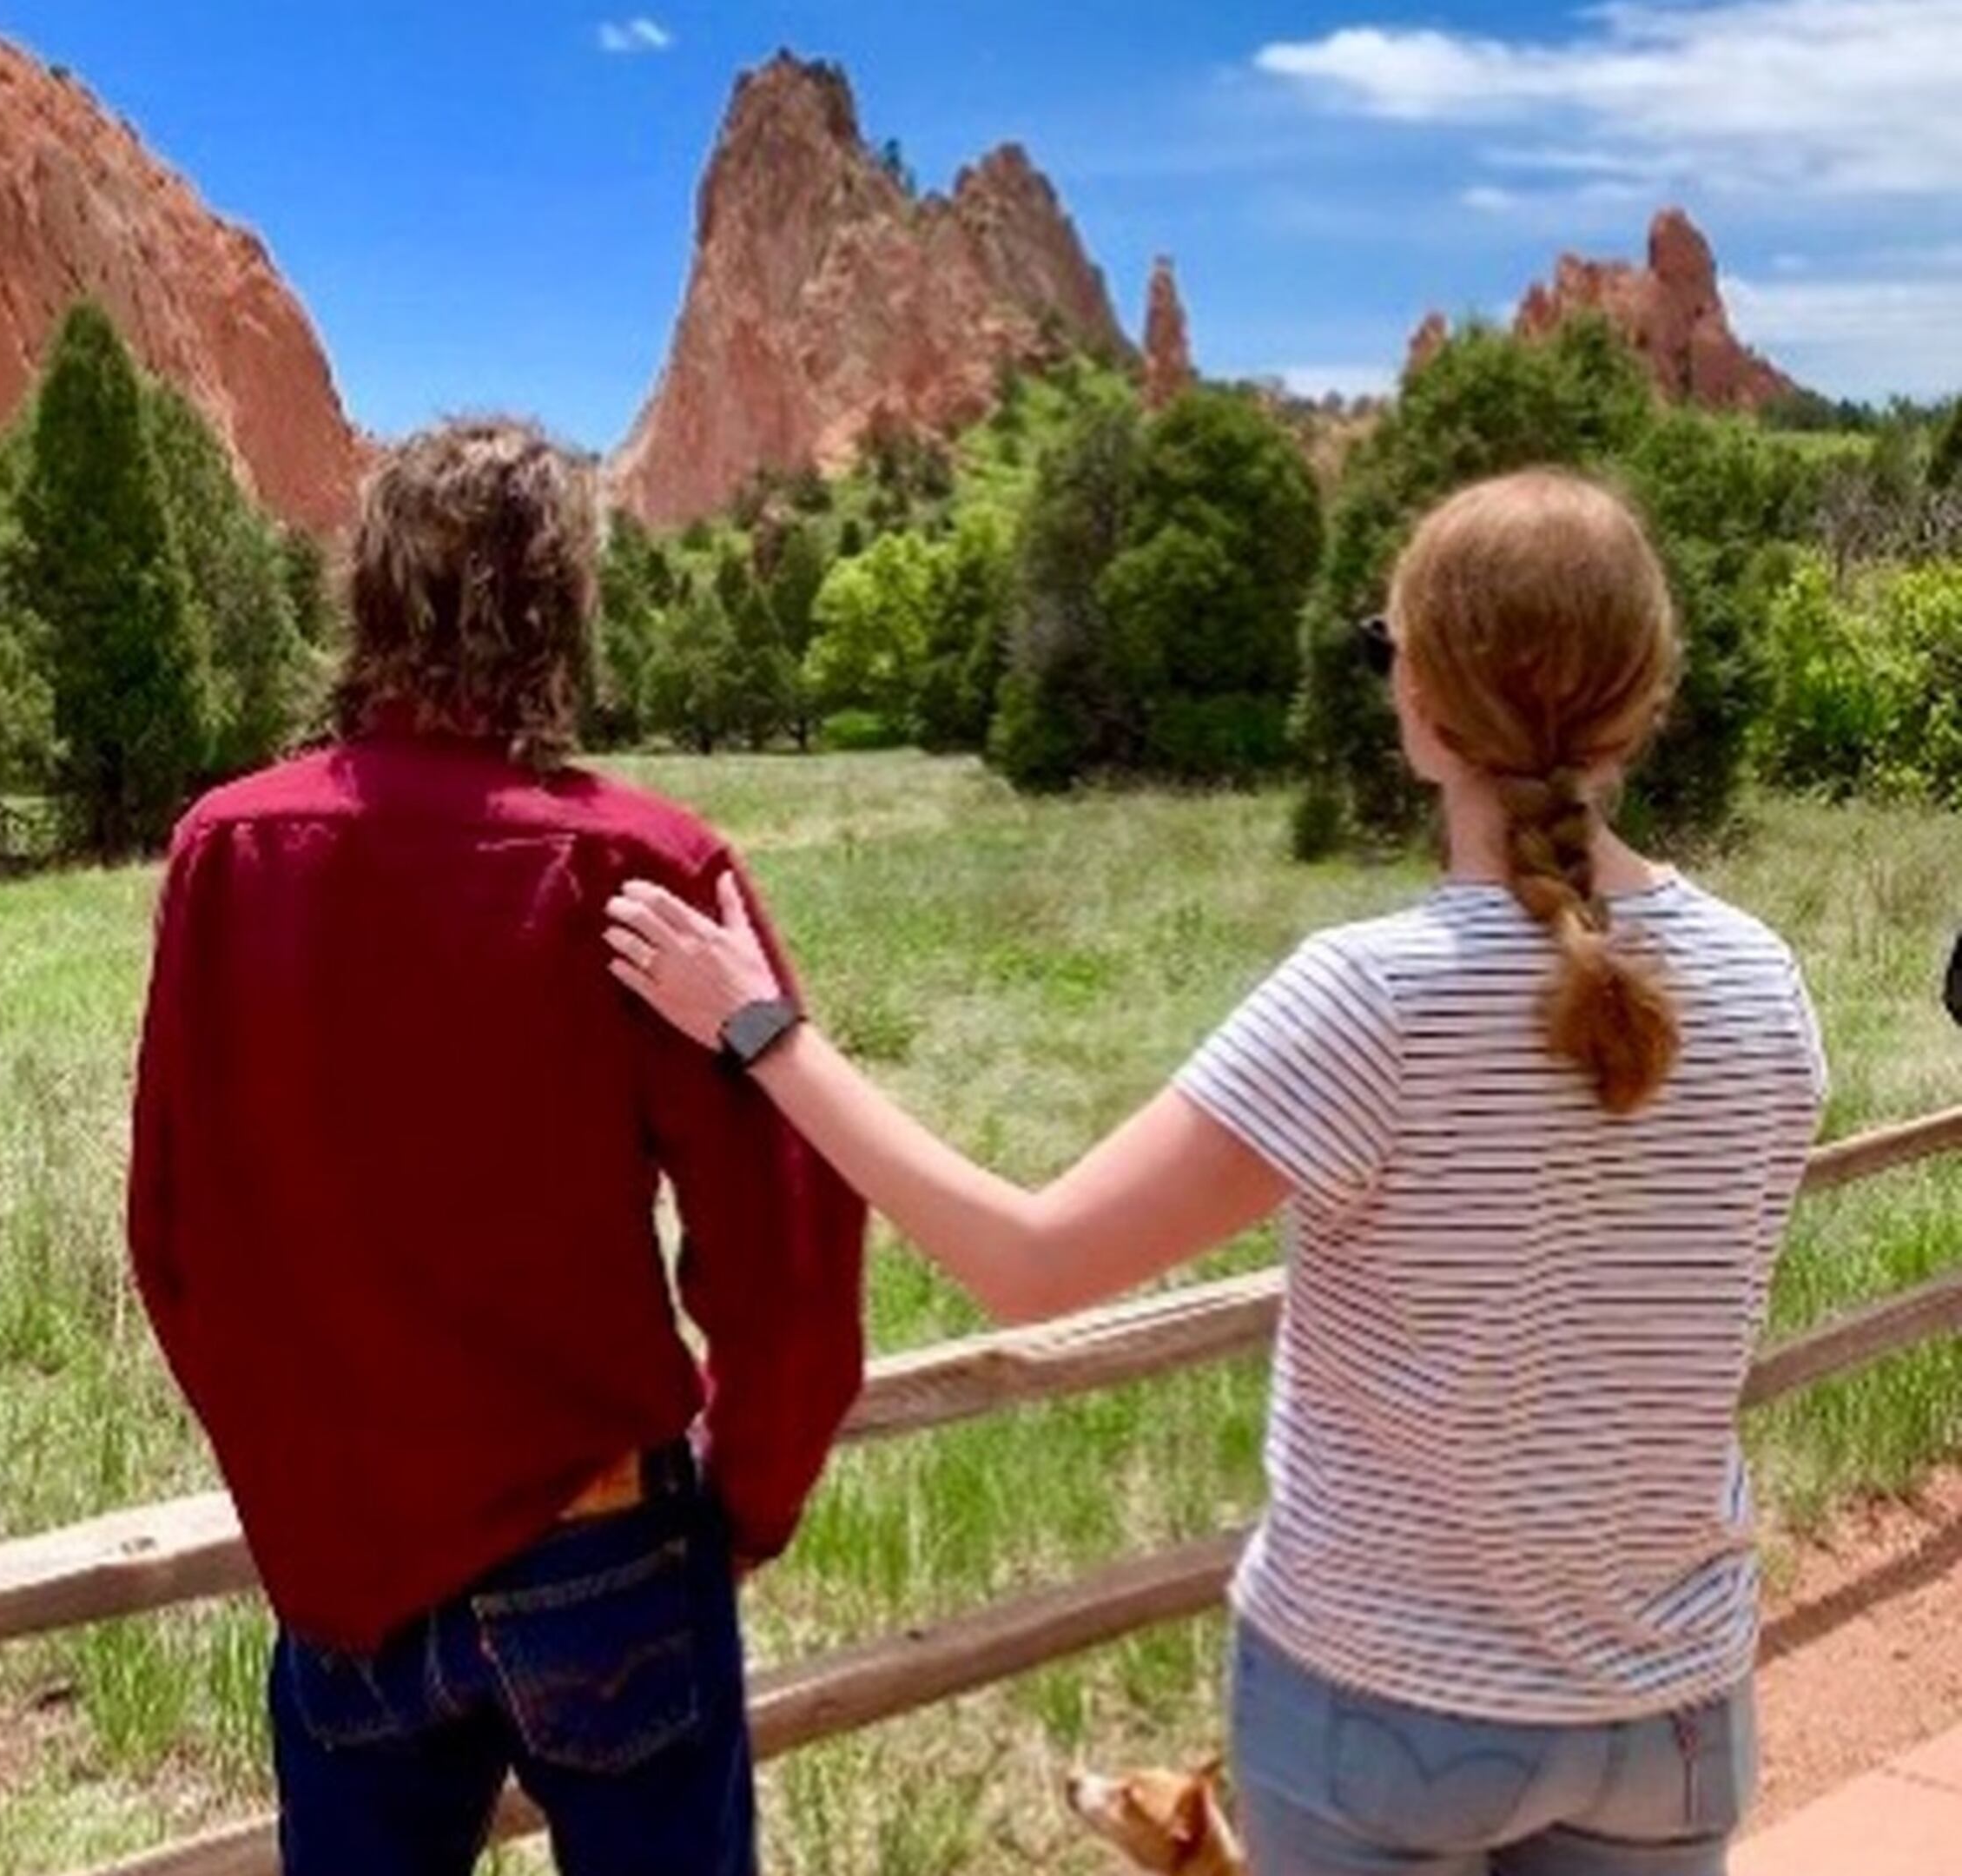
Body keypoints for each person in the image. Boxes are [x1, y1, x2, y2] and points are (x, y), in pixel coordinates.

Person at [605, 468, 1827, 1876]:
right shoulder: (1763, 982)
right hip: (1672, 1701)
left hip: (1386, 1701)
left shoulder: (1373, 998)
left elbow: (1030, 1257)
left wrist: (765, 1034)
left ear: (1420, 705)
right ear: (1647, 697)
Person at [127, 418, 866, 1876]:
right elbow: (790, 1239)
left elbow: (175, 1240)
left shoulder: (227, 853)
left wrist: (303, 1493)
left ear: (370, 594)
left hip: (348, 1570)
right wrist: (751, 1499)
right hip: (607, 1547)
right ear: (564, 607)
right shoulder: (648, 864)